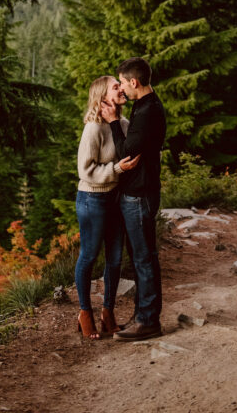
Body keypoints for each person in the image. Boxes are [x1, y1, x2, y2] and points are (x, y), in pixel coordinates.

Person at [101, 56, 167, 341]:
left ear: (134, 82)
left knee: (143, 259)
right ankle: (143, 315)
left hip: (140, 194)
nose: (122, 90)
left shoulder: (147, 112)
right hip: (141, 191)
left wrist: (114, 122)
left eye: (123, 83)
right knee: (142, 257)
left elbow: (126, 151)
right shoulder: (145, 106)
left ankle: (148, 320)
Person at [75, 75, 140, 339]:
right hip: (92, 200)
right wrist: (116, 169)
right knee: (89, 256)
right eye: (116, 87)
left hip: (115, 198)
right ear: (103, 97)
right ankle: (84, 313)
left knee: (115, 258)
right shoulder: (93, 128)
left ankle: (108, 312)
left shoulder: (122, 124)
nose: (122, 89)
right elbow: (85, 169)